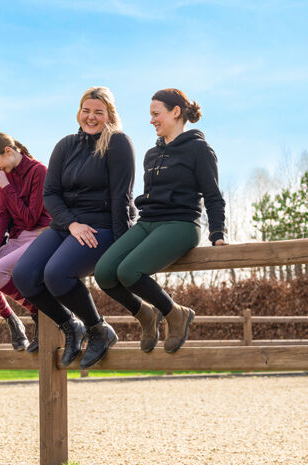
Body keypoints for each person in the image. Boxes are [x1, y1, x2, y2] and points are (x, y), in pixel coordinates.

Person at [94, 88, 226, 354]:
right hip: (148, 223)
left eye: (156, 114)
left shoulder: (199, 149)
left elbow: (213, 195)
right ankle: (145, 313)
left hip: (180, 224)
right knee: (104, 273)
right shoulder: (151, 155)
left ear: (176, 112)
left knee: (128, 271)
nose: (152, 120)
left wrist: (217, 233)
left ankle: (175, 313)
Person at [13, 86, 136, 369]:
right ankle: (71, 326)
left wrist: (123, 245)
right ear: (79, 112)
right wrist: (71, 223)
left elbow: (122, 196)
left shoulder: (118, 143)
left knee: (56, 273)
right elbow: (50, 193)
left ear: (110, 115)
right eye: (86, 110)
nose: (91, 117)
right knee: (24, 275)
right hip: (66, 226)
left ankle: (98, 329)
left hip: (101, 225)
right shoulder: (66, 145)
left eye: (98, 112)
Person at [0, 132, 50, 352]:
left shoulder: (38, 171)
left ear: (8, 151)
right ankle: (27, 315)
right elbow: (2, 216)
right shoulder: (4, 175)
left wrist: (7, 186)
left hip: (40, 236)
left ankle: (43, 313)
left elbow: (31, 218)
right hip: (17, 239)